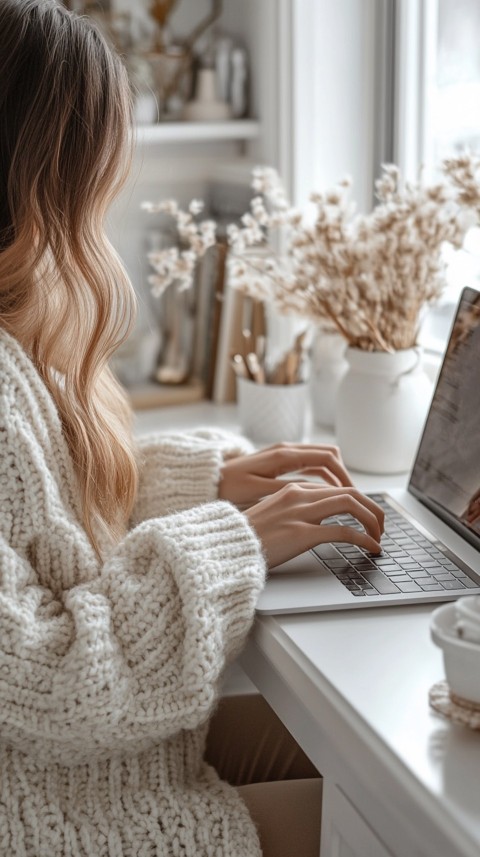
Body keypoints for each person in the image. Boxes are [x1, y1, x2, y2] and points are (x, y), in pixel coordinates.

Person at [0, 2, 384, 855]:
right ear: (51, 172)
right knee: (405, 808)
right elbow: (45, 678)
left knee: (369, 763)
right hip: (64, 822)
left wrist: (197, 484)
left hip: (89, 780)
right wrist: (231, 542)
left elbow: (34, 514)